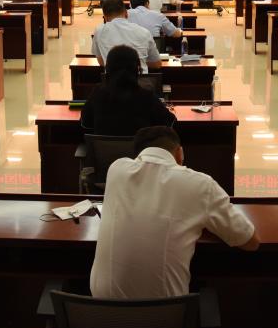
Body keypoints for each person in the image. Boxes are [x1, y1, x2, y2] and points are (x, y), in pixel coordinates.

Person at [90, 125, 259, 299]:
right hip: (165, 314)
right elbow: (250, 241)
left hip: (102, 312)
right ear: (180, 153)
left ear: (138, 154)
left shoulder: (116, 169)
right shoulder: (201, 185)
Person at [80, 45, 177, 135]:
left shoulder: (97, 93)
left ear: (108, 69)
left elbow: (85, 123)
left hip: (103, 149)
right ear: (137, 69)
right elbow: (170, 122)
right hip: (140, 148)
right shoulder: (147, 97)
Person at [91, 0, 161, 73]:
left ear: (105, 18)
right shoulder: (144, 32)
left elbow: (101, 62)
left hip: (112, 80)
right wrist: (141, 62)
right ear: (126, 13)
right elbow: (157, 64)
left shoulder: (99, 31)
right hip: (140, 79)